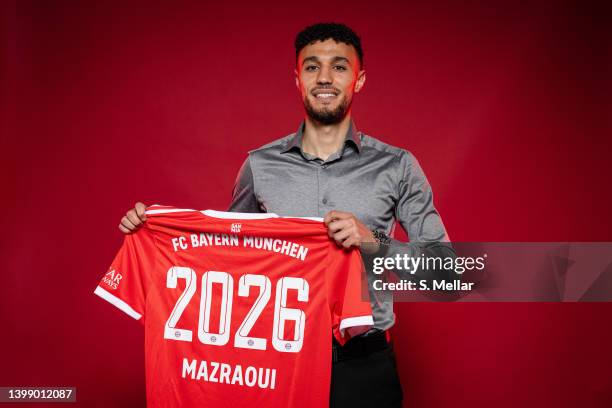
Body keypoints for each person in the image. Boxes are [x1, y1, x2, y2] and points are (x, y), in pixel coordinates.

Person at [119, 22, 454, 408]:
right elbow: (224, 260)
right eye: (312, 67)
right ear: (297, 79)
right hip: (276, 364)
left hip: (364, 368)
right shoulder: (259, 166)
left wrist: (373, 242)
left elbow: (446, 275)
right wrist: (155, 231)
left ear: (359, 80)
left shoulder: (397, 166)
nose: (324, 77)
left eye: (339, 67)